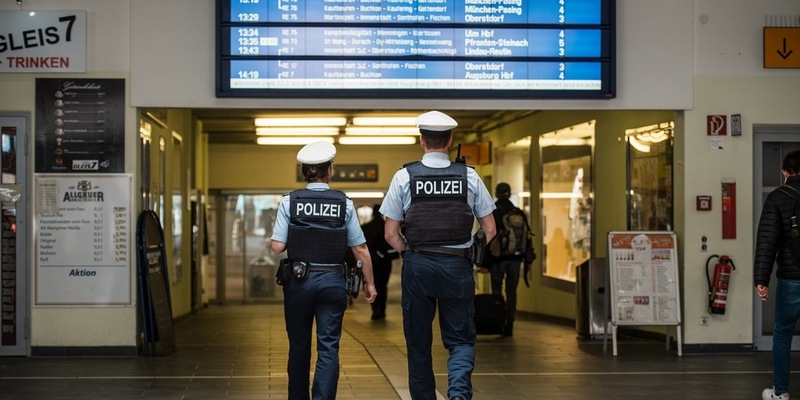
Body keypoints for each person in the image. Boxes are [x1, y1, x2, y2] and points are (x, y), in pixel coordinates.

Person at [380, 110, 496, 400]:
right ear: (450, 140)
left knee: (418, 342)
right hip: (457, 266)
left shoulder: (404, 176)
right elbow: (491, 229)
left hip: (418, 265)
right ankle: (458, 394)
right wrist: (471, 248)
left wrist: (410, 252)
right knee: (460, 340)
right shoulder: (469, 176)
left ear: (422, 141)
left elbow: (390, 234)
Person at [270, 140, 377, 400]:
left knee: (299, 346)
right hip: (333, 282)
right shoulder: (344, 203)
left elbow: (277, 247)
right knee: (328, 347)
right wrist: (370, 283)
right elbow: (360, 249)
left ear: (305, 172)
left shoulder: (289, 201)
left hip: (299, 282)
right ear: (330, 170)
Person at [755, 149, 800, 400]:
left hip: (792, 279)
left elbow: (766, 242)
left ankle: (781, 393)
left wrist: (761, 279)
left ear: (785, 172)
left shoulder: (778, 197)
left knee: (783, 333)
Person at [482, 182, 532, 337]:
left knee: (497, 291)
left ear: (496, 193)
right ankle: (510, 322)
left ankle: (499, 322)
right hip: (515, 260)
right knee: (512, 292)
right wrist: (526, 258)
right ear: (509, 194)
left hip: (498, 259)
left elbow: (489, 235)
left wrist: (485, 262)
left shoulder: (494, 211)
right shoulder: (518, 212)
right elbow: (528, 237)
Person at [361, 204, 399, 320]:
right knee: (383, 286)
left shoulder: (366, 227)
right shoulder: (386, 226)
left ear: (372, 212)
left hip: (371, 262)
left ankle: (375, 308)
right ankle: (382, 309)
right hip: (386, 261)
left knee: (373, 284)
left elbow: (362, 247)